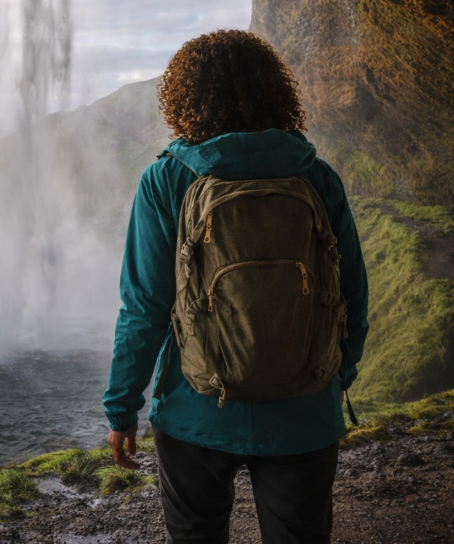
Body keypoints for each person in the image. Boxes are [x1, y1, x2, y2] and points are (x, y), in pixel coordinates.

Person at [103, 29, 369, 543]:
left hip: (195, 411)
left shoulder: (166, 181)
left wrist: (122, 408)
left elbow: (144, 308)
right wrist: (335, 377)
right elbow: (352, 296)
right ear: (276, 91)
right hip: (304, 413)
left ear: (184, 100)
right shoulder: (318, 178)